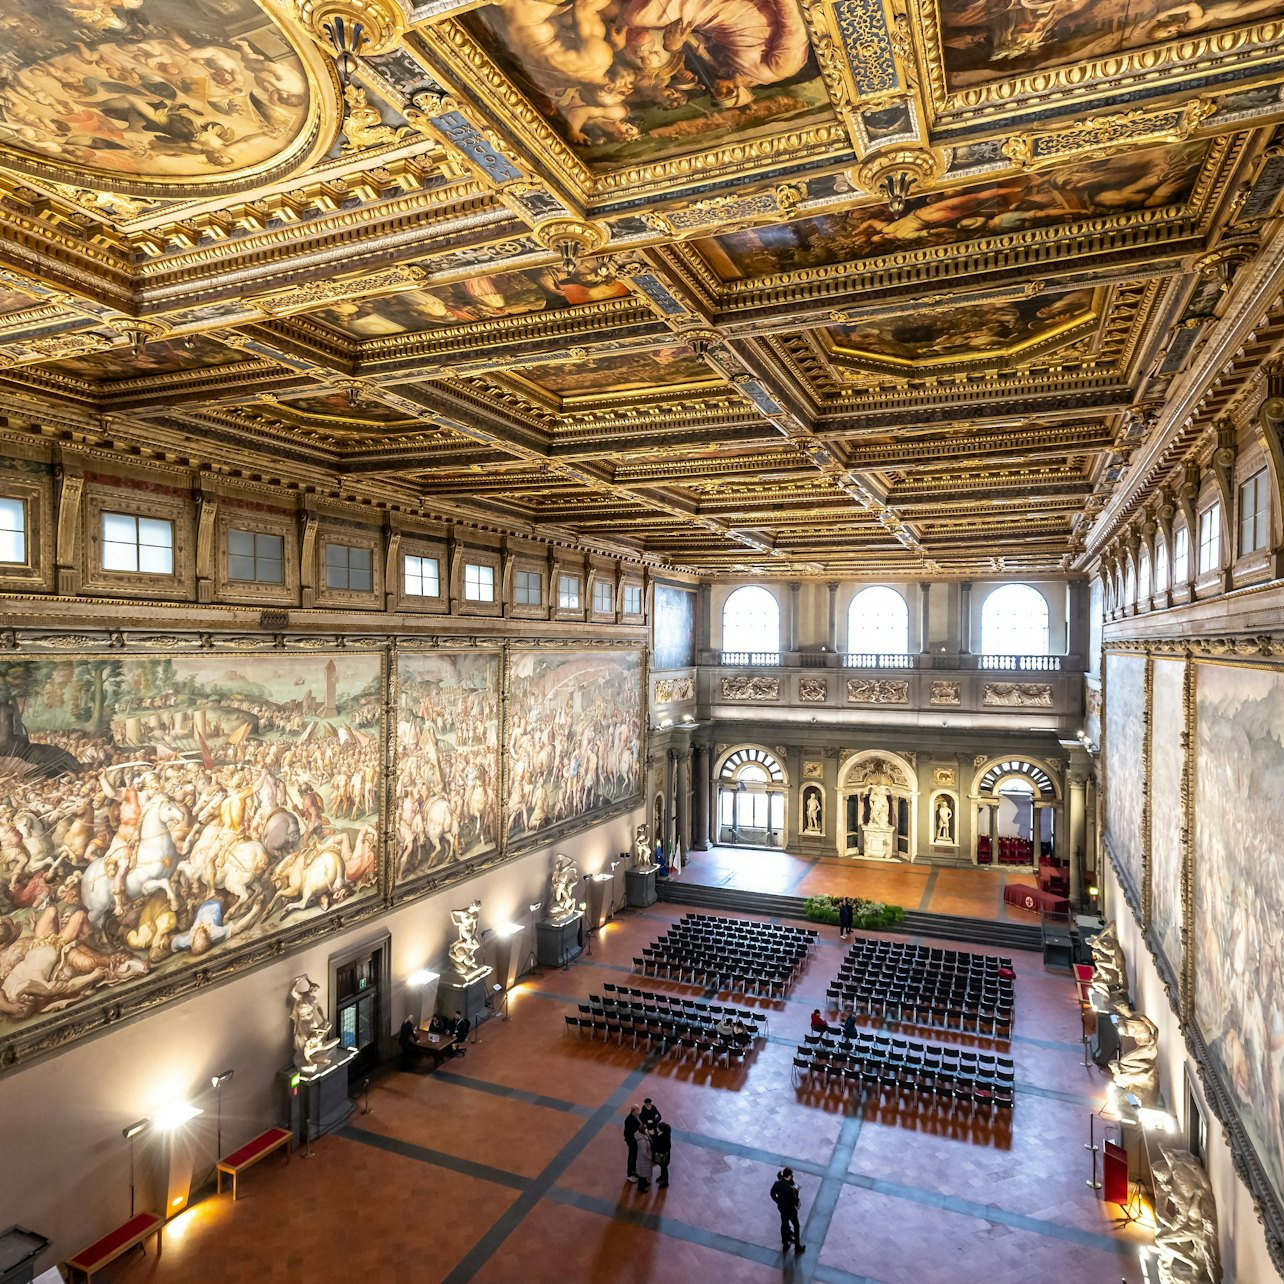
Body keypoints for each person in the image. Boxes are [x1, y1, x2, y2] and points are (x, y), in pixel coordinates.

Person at [770, 1168, 804, 1252]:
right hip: (790, 1209)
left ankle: (785, 1242)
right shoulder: (789, 1189)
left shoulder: (777, 1183)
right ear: (789, 1176)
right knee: (796, 1226)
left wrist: (778, 1201)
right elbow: (795, 1199)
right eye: (791, 1175)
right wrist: (797, 1201)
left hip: (781, 1207)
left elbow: (772, 1193)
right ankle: (797, 1247)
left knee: (784, 1223)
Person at [651, 1120, 671, 1188]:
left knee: (664, 1168)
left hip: (664, 1156)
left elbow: (657, 1145)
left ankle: (666, 1182)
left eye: (658, 1128)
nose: (656, 1129)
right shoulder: (667, 1131)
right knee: (663, 1168)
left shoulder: (662, 1138)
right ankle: (662, 1177)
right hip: (666, 1155)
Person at [624, 1104, 642, 1182]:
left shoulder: (636, 1117)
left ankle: (633, 1170)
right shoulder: (629, 1120)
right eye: (637, 1110)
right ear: (633, 1111)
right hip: (632, 1141)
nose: (639, 1112)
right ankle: (630, 1174)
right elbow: (631, 1132)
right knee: (631, 1156)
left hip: (634, 1141)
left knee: (634, 1156)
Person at [635, 1125, 654, 1193]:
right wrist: (649, 1157)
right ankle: (641, 1187)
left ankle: (644, 1183)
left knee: (642, 1173)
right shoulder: (642, 1141)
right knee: (642, 1174)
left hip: (642, 1158)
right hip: (644, 1159)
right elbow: (644, 1152)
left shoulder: (641, 1137)